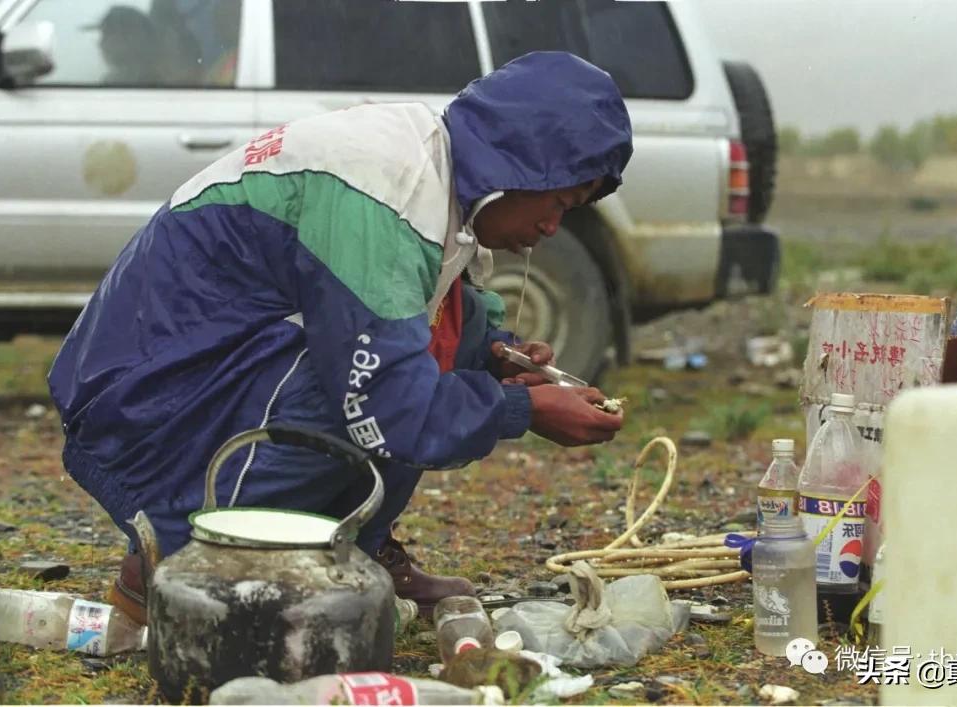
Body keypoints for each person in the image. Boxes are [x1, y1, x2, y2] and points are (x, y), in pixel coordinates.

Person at [48, 51, 633, 621]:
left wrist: (496, 353)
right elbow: (391, 404)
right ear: (521, 165)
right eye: (559, 200)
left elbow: (427, 307)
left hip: (193, 367)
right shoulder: (384, 188)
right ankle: (180, 561)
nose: (552, 228)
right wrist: (522, 409)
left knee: (422, 356)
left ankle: (345, 550)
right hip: (144, 393)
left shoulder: (434, 170)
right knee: (375, 392)